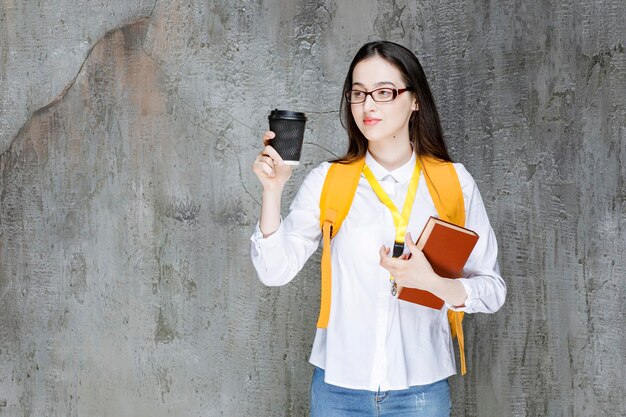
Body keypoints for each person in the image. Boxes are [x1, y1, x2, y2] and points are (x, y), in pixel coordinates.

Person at [250, 41, 506, 417]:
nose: (368, 106)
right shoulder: (328, 181)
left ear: (415, 100)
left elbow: (493, 290)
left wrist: (430, 281)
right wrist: (272, 192)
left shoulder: (454, 182)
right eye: (358, 93)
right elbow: (274, 272)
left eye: (384, 92)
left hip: (421, 392)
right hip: (338, 390)